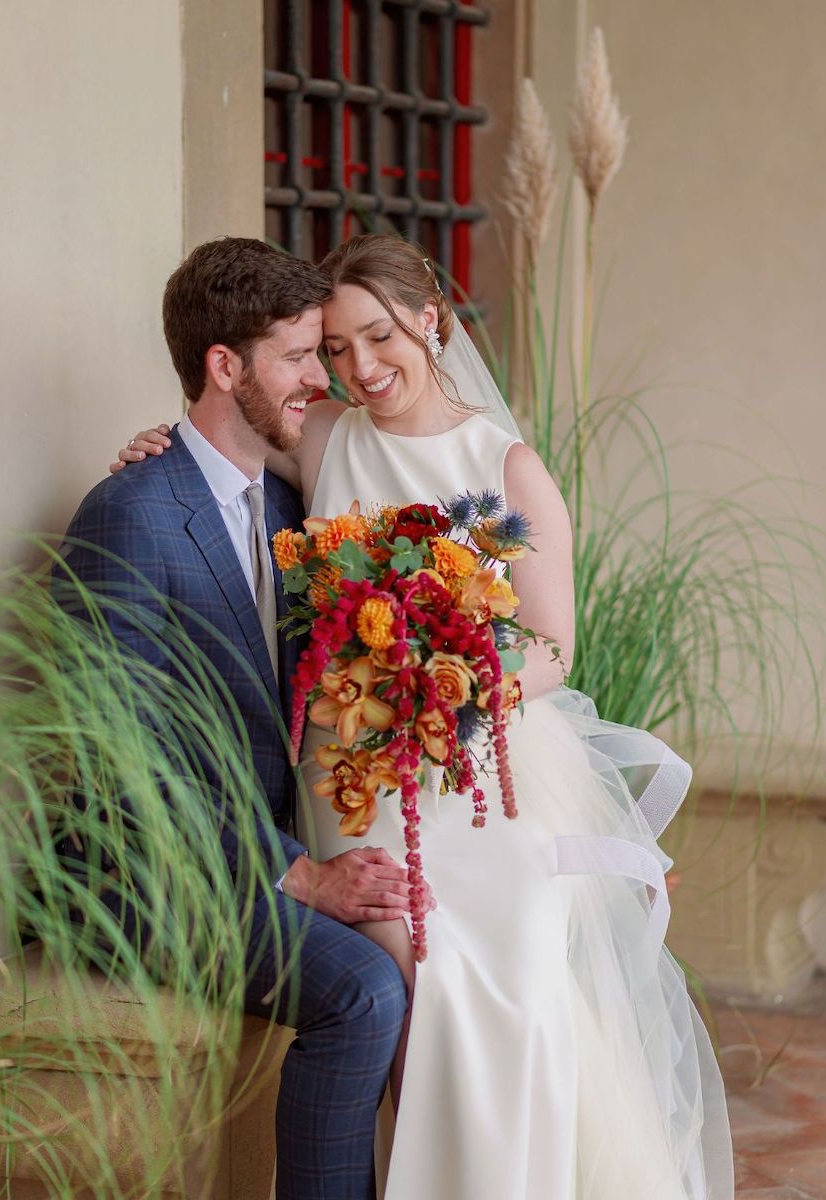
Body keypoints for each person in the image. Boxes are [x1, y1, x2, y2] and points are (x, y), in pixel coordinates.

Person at [113, 234, 734, 1199]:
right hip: (358, 781)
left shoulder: (506, 469)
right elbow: (224, 440)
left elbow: (553, 646)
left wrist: (444, 679)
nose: (360, 368)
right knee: (423, 975)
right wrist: (154, 444)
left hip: (477, 768)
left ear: (431, 321)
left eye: (379, 337)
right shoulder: (322, 441)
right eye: (338, 348)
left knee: (516, 981)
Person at [56, 237, 428, 1200]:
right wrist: (300, 874)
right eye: (300, 357)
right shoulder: (128, 514)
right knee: (363, 990)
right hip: (145, 878)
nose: (324, 379)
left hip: (252, 842)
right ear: (224, 366)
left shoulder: (282, 508)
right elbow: (120, 764)